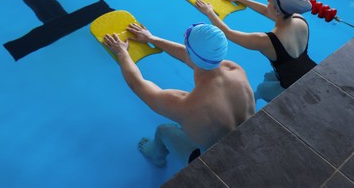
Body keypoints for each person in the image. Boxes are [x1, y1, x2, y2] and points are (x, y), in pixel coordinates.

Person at [103, 23, 255, 167]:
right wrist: (151, 38)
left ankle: (156, 157)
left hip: (215, 165)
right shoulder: (235, 69)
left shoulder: (185, 105)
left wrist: (122, 53)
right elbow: (198, 59)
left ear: (189, 54)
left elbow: (137, 84)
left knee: (164, 130)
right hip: (249, 144)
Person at [195, 0, 316, 102]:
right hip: (310, 70)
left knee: (262, 89)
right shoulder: (299, 19)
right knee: (269, 77)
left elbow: (228, 33)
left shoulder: (266, 41)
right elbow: (267, 11)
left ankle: (254, 100)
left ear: (277, 11)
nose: (266, 0)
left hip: (290, 87)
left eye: (269, 0)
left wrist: (209, 12)